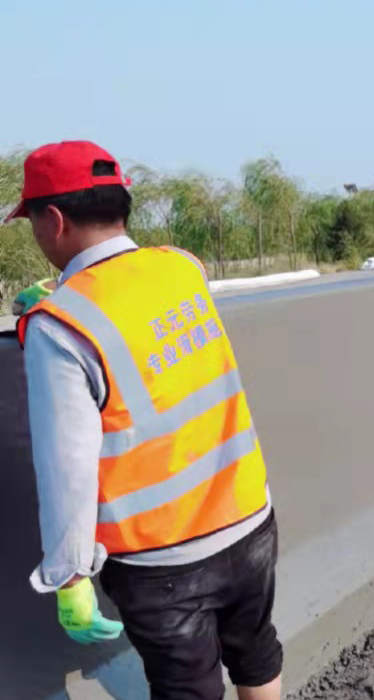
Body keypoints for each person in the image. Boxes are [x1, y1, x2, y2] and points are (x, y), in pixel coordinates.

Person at [7, 141, 283, 700]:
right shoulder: (181, 267)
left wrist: (70, 576)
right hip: (248, 517)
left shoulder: (58, 328)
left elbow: (67, 468)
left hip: (163, 560)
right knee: (256, 654)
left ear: (54, 219)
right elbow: (141, 311)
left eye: (32, 222)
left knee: (187, 688)